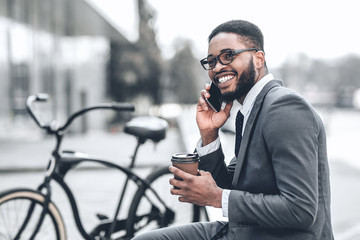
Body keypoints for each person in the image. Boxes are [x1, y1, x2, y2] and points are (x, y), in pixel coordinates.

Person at [132, 19, 333, 240]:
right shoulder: (251, 109)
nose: (217, 67)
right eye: (211, 61)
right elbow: (232, 186)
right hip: (247, 230)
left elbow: (301, 210)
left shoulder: (283, 107)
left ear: (258, 58)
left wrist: (217, 197)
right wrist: (209, 134)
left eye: (228, 56)